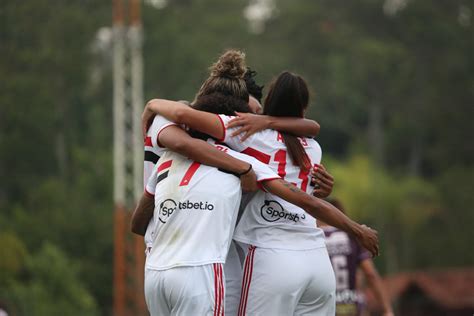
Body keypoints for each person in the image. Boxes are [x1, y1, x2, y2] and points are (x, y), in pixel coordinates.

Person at [142, 71, 379, 315]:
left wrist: (152, 104)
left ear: (267, 104)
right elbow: (312, 133)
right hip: (317, 260)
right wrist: (355, 229)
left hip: (270, 256)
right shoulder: (313, 147)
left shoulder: (246, 134)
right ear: (304, 109)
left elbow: (184, 116)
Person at [321, 198, 394, 316]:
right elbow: (370, 274)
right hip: (350, 305)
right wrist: (387, 309)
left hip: (324, 305)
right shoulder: (352, 237)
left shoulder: (313, 237)